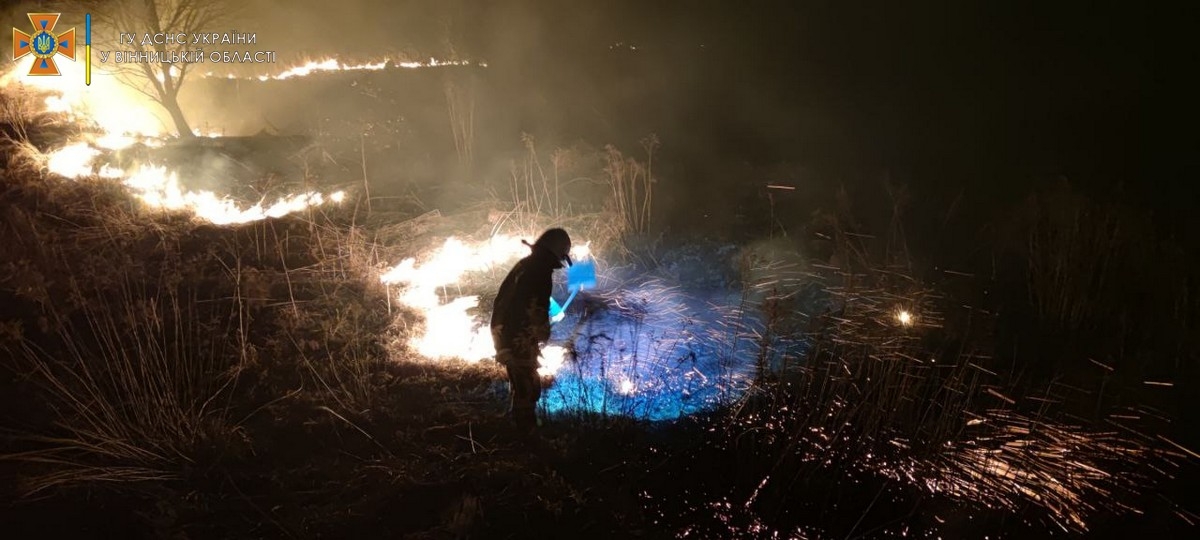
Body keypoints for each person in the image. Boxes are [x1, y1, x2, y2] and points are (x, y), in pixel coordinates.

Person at [490, 228, 572, 434]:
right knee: (527, 387)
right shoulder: (539, 271)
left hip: (508, 333)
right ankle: (525, 435)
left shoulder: (528, 266)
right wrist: (541, 330)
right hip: (518, 337)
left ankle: (520, 429)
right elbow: (533, 305)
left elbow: (524, 299)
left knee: (523, 384)